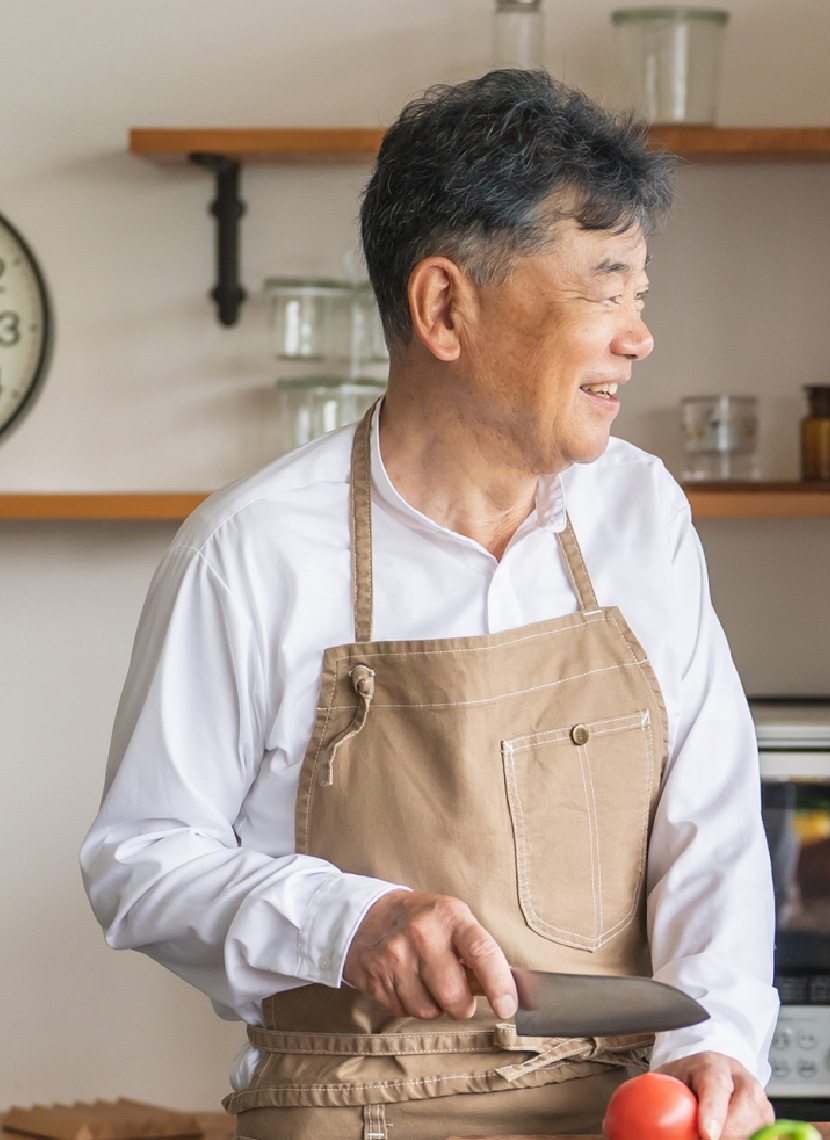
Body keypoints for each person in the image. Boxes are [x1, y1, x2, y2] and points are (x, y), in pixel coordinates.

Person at [81, 72, 776, 1140]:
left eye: (640, 295)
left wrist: (716, 1039)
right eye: (605, 292)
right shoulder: (251, 550)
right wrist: (348, 921)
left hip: (627, 1110)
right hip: (352, 1110)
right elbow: (140, 861)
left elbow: (711, 822)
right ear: (444, 308)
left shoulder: (643, 513)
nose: (639, 337)